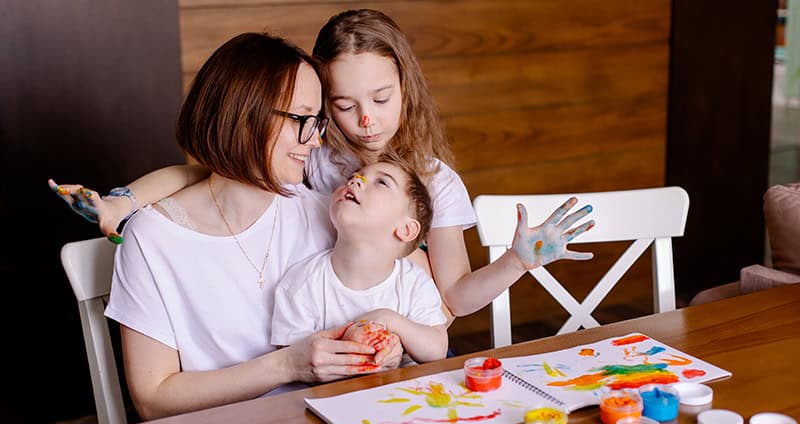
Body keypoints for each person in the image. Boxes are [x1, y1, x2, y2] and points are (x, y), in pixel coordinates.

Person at [50, 9, 595, 323]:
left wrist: (518, 263)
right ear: (320, 102)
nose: (365, 121)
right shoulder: (307, 156)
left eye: (382, 98)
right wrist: (125, 199)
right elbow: (203, 173)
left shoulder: (433, 180)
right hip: (298, 334)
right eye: (342, 105)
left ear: (406, 87)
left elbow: (453, 297)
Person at [51, 32, 404, 421]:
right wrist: (287, 366)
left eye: (318, 122)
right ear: (245, 115)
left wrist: (376, 349)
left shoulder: (327, 213)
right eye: (304, 120)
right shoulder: (154, 239)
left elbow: (395, 304)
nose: (316, 141)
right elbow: (153, 398)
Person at [271, 154, 448, 365]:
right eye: (354, 177)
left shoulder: (414, 283)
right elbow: (293, 363)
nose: (357, 180)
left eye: (381, 182)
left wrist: (389, 320)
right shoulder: (302, 284)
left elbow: (437, 350)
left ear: (405, 229)